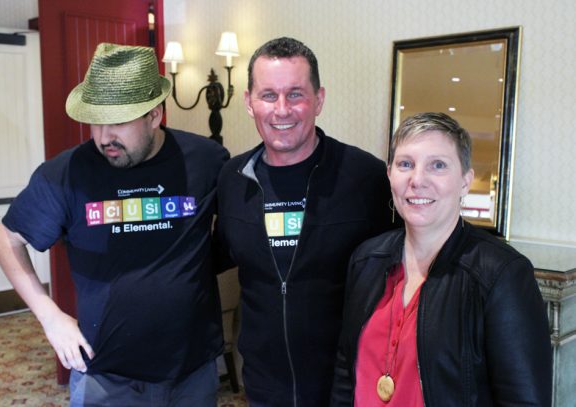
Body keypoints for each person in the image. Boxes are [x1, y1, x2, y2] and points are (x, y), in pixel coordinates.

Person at [0, 43, 229, 406]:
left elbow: (235, 231)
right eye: (95, 121)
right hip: (105, 376)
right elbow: (5, 240)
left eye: (117, 122)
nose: (103, 137)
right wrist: (50, 317)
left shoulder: (206, 160)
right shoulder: (65, 173)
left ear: (155, 115)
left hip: (192, 372)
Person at [214, 37, 395, 407]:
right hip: (262, 387)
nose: (282, 110)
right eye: (268, 95)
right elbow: (214, 256)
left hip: (348, 387)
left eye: (295, 94)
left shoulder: (367, 177)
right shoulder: (232, 178)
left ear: (319, 100)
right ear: (249, 102)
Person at [331, 112, 552, 406]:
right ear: (389, 174)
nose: (417, 180)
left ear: (465, 181)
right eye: (405, 164)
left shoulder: (502, 275)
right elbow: (346, 374)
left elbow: (524, 401)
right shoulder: (366, 260)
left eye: (438, 165)